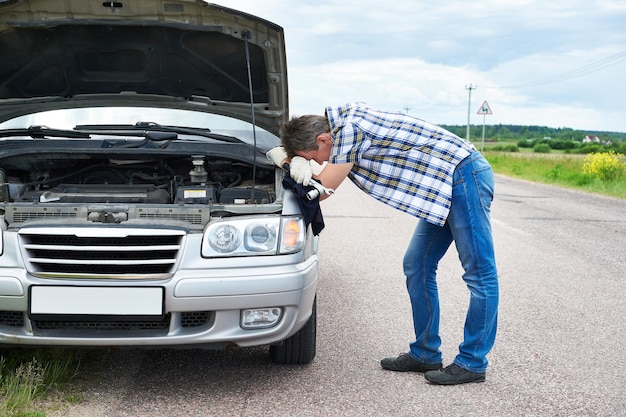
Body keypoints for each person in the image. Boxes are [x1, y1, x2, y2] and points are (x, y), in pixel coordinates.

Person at [266, 102, 498, 385]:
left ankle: (473, 362)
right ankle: (425, 353)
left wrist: (290, 162)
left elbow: (321, 190)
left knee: (479, 272)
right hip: (444, 185)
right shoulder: (341, 128)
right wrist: (296, 158)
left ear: (323, 140)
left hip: (464, 176)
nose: (316, 162)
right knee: (417, 264)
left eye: (313, 157)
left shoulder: (348, 131)